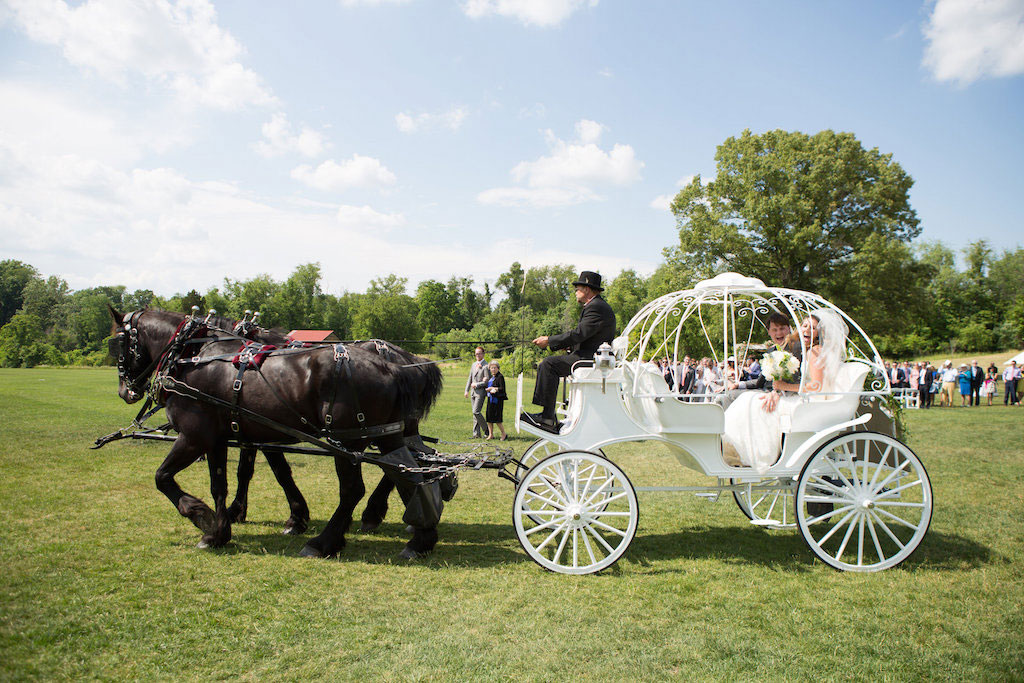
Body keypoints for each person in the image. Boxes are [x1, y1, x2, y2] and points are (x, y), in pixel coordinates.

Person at [723, 309, 847, 473]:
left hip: (808, 401)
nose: (806, 330)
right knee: (748, 401)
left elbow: (816, 387)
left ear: (819, 333)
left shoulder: (814, 352)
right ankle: (739, 448)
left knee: (749, 402)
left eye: (813, 328)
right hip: (798, 396)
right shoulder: (809, 350)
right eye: (804, 326)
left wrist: (782, 388)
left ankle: (749, 451)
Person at [522, 271, 616, 433]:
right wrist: (569, 347)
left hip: (590, 360)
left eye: (577, 288)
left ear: (587, 289)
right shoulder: (595, 306)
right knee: (550, 364)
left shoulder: (596, 307)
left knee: (549, 364)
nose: (575, 292)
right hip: (587, 356)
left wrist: (549, 340)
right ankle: (548, 416)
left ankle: (547, 418)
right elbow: (586, 336)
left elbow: (579, 334)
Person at [464, 346, 491, 437]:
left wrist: (477, 384)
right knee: (474, 413)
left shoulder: (486, 366)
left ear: (483, 354)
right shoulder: (473, 364)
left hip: (480, 393)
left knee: (476, 411)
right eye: (476, 353)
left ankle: (487, 430)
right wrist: (466, 390)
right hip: (473, 392)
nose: (477, 355)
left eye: (479, 353)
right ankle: (476, 434)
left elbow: (487, 382)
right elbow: (470, 378)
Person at [484, 361, 508, 440]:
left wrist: (493, 389)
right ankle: (491, 435)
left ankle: (504, 434)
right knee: (489, 418)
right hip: (490, 399)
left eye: (495, 368)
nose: (493, 369)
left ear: (498, 368)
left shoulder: (500, 377)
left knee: (497, 419)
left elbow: (502, 388)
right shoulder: (492, 377)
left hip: (497, 400)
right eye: (491, 368)